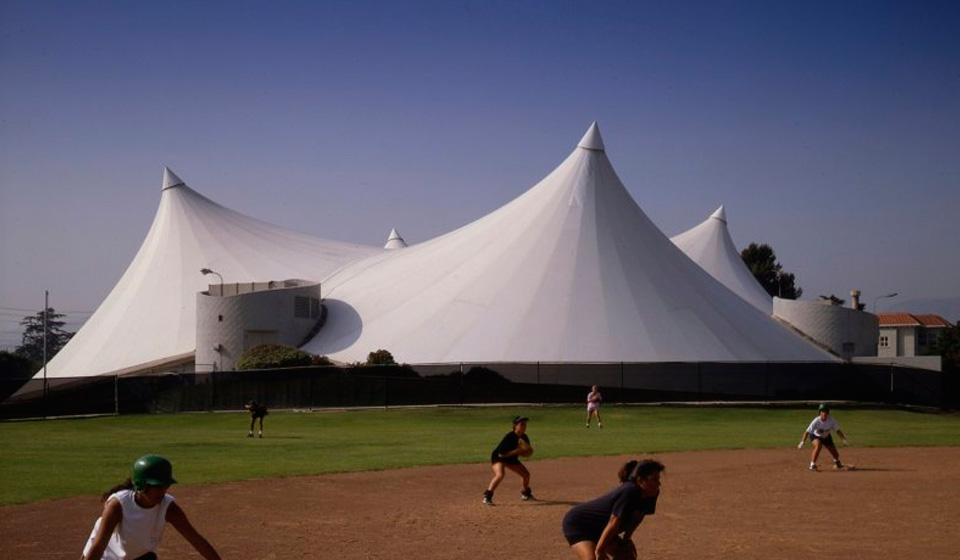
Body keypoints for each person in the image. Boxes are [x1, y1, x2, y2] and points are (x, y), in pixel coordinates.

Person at [81, 454, 221, 560]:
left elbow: (196, 540)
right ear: (142, 485)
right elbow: (99, 546)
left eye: (166, 485)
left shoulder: (168, 507)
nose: (164, 490)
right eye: (157, 486)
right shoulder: (118, 505)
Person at [562, 459, 665, 560]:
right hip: (579, 524)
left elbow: (638, 517)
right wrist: (599, 550)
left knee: (627, 556)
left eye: (658, 479)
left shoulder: (652, 493)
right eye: (654, 479)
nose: (658, 483)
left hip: (602, 527)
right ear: (640, 480)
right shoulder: (629, 491)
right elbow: (613, 523)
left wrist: (627, 538)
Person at [483, 415, 535, 505]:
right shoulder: (509, 436)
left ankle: (525, 493)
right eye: (521, 424)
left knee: (526, 475)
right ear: (515, 425)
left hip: (511, 458)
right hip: (498, 458)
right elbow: (501, 454)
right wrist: (517, 451)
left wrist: (525, 453)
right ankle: (487, 497)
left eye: (525, 425)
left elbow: (526, 452)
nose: (524, 426)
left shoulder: (524, 437)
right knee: (500, 474)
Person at [797, 403, 850, 471]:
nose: (824, 413)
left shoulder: (832, 421)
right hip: (815, 436)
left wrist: (843, 440)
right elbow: (807, 432)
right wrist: (802, 442)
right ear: (820, 413)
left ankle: (837, 462)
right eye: (822, 411)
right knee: (818, 446)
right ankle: (812, 465)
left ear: (828, 413)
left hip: (826, 437)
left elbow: (838, 431)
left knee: (836, 454)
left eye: (826, 411)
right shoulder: (816, 421)